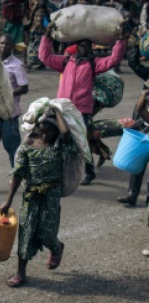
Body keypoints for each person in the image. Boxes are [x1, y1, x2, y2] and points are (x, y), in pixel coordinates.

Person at [38, 27, 126, 185]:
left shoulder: (94, 64)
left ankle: (89, 171)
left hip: (81, 111)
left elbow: (113, 59)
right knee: (55, 138)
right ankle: (56, 170)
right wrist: (46, 38)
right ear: (76, 47)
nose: (85, 49)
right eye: (82, 45)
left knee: (81, 141)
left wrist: (120, 41)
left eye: (88, 46)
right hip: (62, 108)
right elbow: (45, 57)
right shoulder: (66, 62)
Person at [0, 107, 72, 287]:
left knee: (47, 233)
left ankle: (56, 247)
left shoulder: (59, 146)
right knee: (26, 234)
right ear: (36, 127)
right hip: (31, 196)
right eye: (43, 128)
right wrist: (8, 200)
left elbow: (66, 133)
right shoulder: (28, 145)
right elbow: (18, 174)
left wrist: (57, 112)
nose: (46, 133)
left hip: (51, 197)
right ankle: (20, 273)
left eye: (51, 129)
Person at [118, 52, 149, 206]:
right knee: (138, 159)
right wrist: (132, 44)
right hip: (144, 125)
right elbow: (134, 64)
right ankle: (132, 195)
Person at [0, 34, 30, 167]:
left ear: (12, 47)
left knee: (12, 148)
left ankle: (18, 175)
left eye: (7, 44)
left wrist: (7, 93)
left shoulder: (17, 65)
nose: (4, 46)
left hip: (9, 113)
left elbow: (24, 88)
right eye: (1, 43)